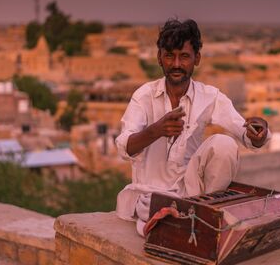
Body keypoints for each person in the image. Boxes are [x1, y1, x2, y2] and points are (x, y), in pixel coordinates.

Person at [115, 19, 271, 236]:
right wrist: (156, 130)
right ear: (160, 58)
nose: (176, 64)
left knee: (224, 144)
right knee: (153, 211)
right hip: (151, 194)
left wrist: (259, 131)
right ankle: (184, 220)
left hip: (193, 194)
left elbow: (246, 134)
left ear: (196, 58)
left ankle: (206, 215)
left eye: (184, 56)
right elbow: (124, 148)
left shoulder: (210, 96)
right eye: (169, 56)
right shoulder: (144, 96)